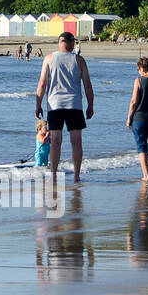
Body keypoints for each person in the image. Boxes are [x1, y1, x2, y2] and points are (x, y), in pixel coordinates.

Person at [35, 31, 95, 182]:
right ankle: (76, 176)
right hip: (74, 104)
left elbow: (42, 83)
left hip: (54, 105)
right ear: (72, 43)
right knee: (76, 142)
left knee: (55, 141)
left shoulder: (49, 58)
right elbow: (87, 85)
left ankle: (54, 175)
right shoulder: (79, 60)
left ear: (59, 42)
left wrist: (38, 104)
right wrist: (90, 105)